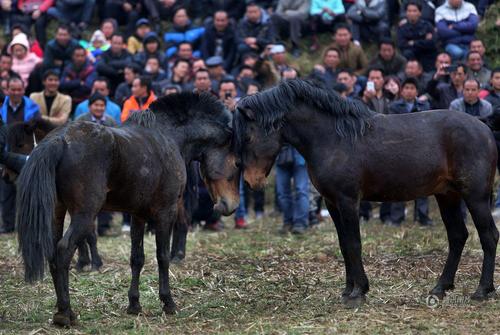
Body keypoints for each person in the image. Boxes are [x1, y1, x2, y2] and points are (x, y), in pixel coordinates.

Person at [387, 77, 433, 226]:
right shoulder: (394, 107)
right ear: (401, 91)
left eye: (412, 88)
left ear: (417, 91)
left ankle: (422, 217)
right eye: (406, 88)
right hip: (399, 150)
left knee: (423, 183)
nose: (409, 91)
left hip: (420, 150)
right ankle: (396, 218)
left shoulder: (424, 105)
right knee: (397, 184)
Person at [0, 76, 40, 234]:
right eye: (13, 89)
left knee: (27, 193)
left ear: (24, 89)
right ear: (7, 90)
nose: (16, 92)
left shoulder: (32, 107)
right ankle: (7, 225)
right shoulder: (2, 106)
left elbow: (36, 132)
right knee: (6, 192)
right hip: (5, 152)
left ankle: (27, 226)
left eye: (19, 89)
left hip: (25, 155)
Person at [397, 0, 437, 72]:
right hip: (412, 57)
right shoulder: (402, 27)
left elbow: (432, 43)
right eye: (409, 11)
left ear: (420, 13)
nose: (412, 13)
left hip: (427, 56)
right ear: (406, 13)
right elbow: (402, 44)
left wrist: (414, 42)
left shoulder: (427, 25)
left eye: (414, 11)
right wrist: (423, 41)